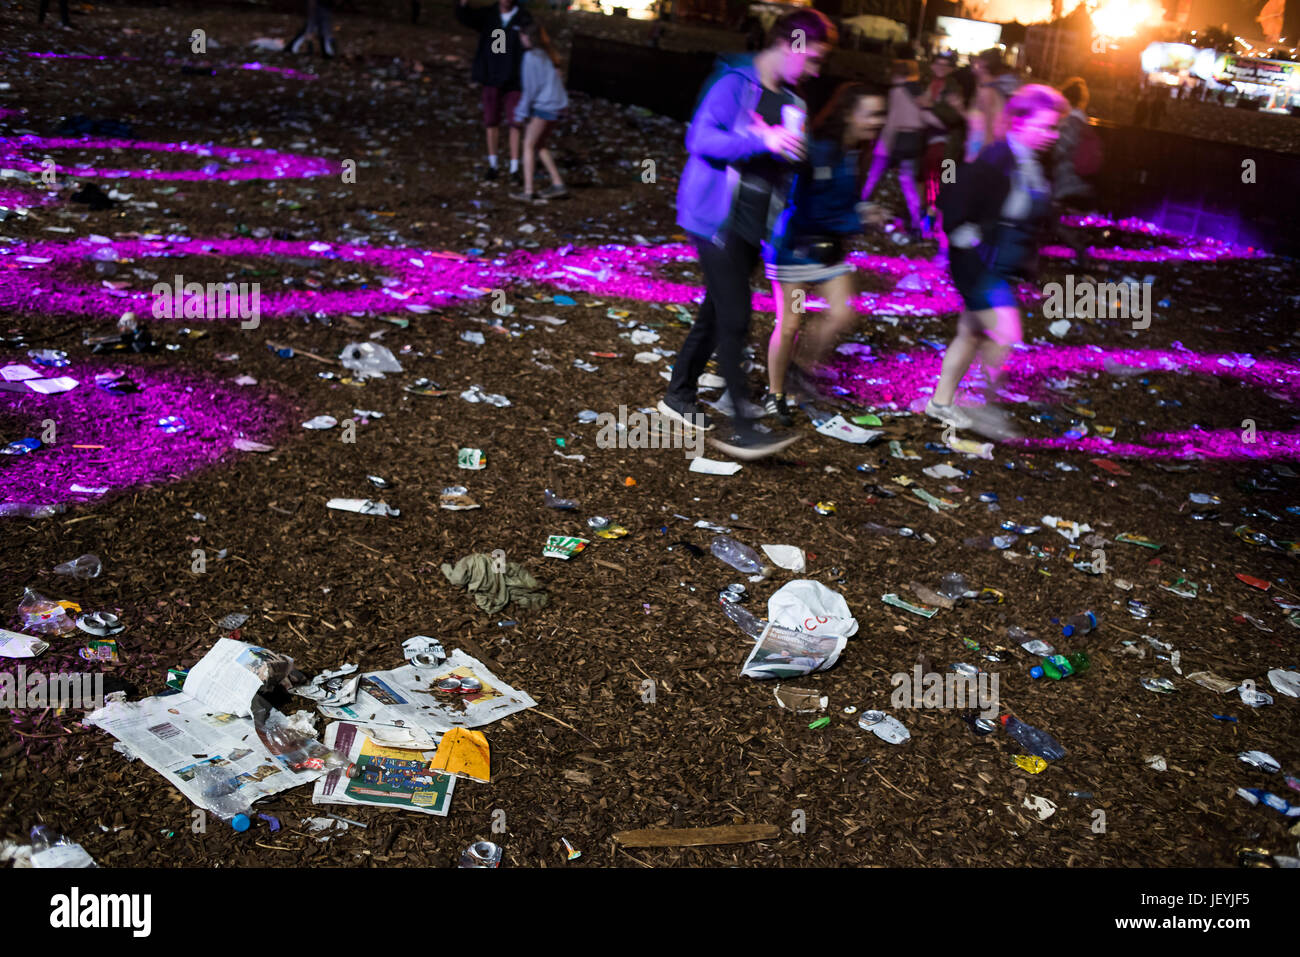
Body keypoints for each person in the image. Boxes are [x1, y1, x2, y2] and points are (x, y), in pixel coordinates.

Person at [658, 8, 836, 461]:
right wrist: (764, 141)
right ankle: (742, 428)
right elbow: (700, 140)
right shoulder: (734, 86)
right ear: (791, 45)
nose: (816, 68)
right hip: (714, 217)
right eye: (813, 57)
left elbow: (787, 165)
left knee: (717, 312)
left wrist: (794, 155)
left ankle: (678, 396)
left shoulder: (794, 103)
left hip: (755, 223)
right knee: (736, 317)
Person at [927, 84, 1068, 440]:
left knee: (971, 333)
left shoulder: (1031, 162)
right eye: (1045, 126)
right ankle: (987, 410)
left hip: (1002, 264)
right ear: (1020, 122)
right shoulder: (998, 156)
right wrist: (963, 239)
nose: (1051, 135)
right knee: (1004, 333)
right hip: (982, 264)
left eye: (1054, 128)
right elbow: (956, 195)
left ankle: (941, 403)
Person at [761, 84, 887, 426]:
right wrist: (858, 218)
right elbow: (808, 209)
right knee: (790, 324)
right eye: (872, 113)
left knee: (842, 314)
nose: (878, 121)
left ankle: (800, 370)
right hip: (796, 248)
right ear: (849, 114)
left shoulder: (853, 152)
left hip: (828, 249)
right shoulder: (817, 150)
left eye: (881, 114)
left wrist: (861, 209)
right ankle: (775, 394)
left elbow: (842, 201)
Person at [860, 59, 939, 240]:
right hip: (914, 140)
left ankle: (861, 212)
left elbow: (893, 120)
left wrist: (882, 145)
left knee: (872, 177)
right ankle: (917, 223)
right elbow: (928, 117)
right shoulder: (919, 93)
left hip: (894, 139)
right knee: (909, 182)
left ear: (897, 75)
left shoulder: (896, 91)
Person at [456, 0, 534, 184]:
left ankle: (514, 168)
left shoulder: (523, 17)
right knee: (491, 121)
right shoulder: (490, 15)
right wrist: (462, 5)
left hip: (515, 81)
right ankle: (493, 165)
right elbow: (467, 19)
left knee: (515, 123)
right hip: (492, 77)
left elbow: (532, 42)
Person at [510, 23, 569, 203]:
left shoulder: (530, 57)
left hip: (545, 106)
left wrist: (520, 114)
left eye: (522, 35)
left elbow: (530, 90)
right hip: (558, 105)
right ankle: (558, 183)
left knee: (527, 144)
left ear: (528, 37)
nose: (520, 39)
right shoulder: (546, 55)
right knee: (539, 144)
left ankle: (528, 190)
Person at [964, 49, 1018, 162]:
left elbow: (989, 125)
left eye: (977, 61)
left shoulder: (987, 91)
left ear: (983, 65)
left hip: (979, 146)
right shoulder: (987, 87)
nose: (973, 63)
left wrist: (984, 154)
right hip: (977, 143)